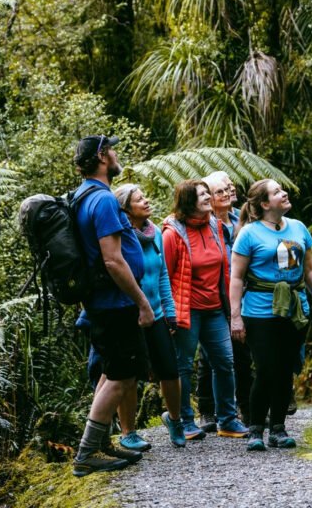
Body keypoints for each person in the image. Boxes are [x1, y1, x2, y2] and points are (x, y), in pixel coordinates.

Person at [70, 134, 155, 477]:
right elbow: (113, 261)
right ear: (103, 156)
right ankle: (87, 453)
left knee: (110, 371)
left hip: (102, 302)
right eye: (113, 149)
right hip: (115, 302)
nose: (117, 155)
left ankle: (102, 443)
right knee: (121, 376)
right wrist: (142, 302)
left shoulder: (82, 196)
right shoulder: (103, 200)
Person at [229, 179, 312, 451]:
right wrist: (236, 316)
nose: (284, 193)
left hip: (295, 310)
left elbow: (309, 270)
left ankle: (278, 428)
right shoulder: (249, 234)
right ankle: (256, 429)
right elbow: (237, 277)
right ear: (265, 204)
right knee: (265, 368)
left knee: (286, 368)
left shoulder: (298, 228)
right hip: (260, 311)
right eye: (277, 192)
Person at [162, 180, 249, 440]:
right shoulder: (172, 233)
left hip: (214, 308)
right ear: (188, 200)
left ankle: (227, 419)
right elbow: (164, 274)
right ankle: (184, 420)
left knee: (225, 362)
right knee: (184, 366)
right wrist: (168, 313)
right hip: (187, 310)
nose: (208, 198)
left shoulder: (214, 225)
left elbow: (226, 266)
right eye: (202, 194)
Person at [112, 183, 186, 449]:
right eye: (139, 199)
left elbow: (163, 274)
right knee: (129, 375)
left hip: (156, 314)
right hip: (130, 316)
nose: (146, 201)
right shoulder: (119, 236)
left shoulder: (155, 233)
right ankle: (128, 432)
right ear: (125, 208)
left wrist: (170, 312)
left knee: (170, 369)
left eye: (145, 196)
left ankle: (175, 420)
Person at [195, 173, 252, 430]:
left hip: (243, 291)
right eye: (219, 192)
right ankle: (207, 410)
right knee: (211, 355)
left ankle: (245, 407)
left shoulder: (243, 219)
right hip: (214, 294)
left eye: (228, 189)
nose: (227, 194)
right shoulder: (202, 225)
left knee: (240, 352)